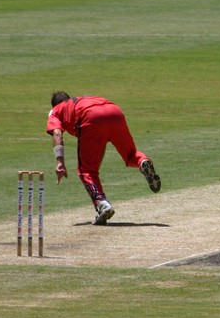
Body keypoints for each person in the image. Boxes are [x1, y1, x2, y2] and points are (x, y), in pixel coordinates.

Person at [46, 91, 161, 225]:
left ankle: (102, 204)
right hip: (114, 111)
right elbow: (99, 144)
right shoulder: (81, 101)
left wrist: (60, 162)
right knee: (130, 154)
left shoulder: (56, 110)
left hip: (91, 117)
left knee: (86, 171)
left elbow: (57, 133)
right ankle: (142, 162)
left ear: (54, 105)